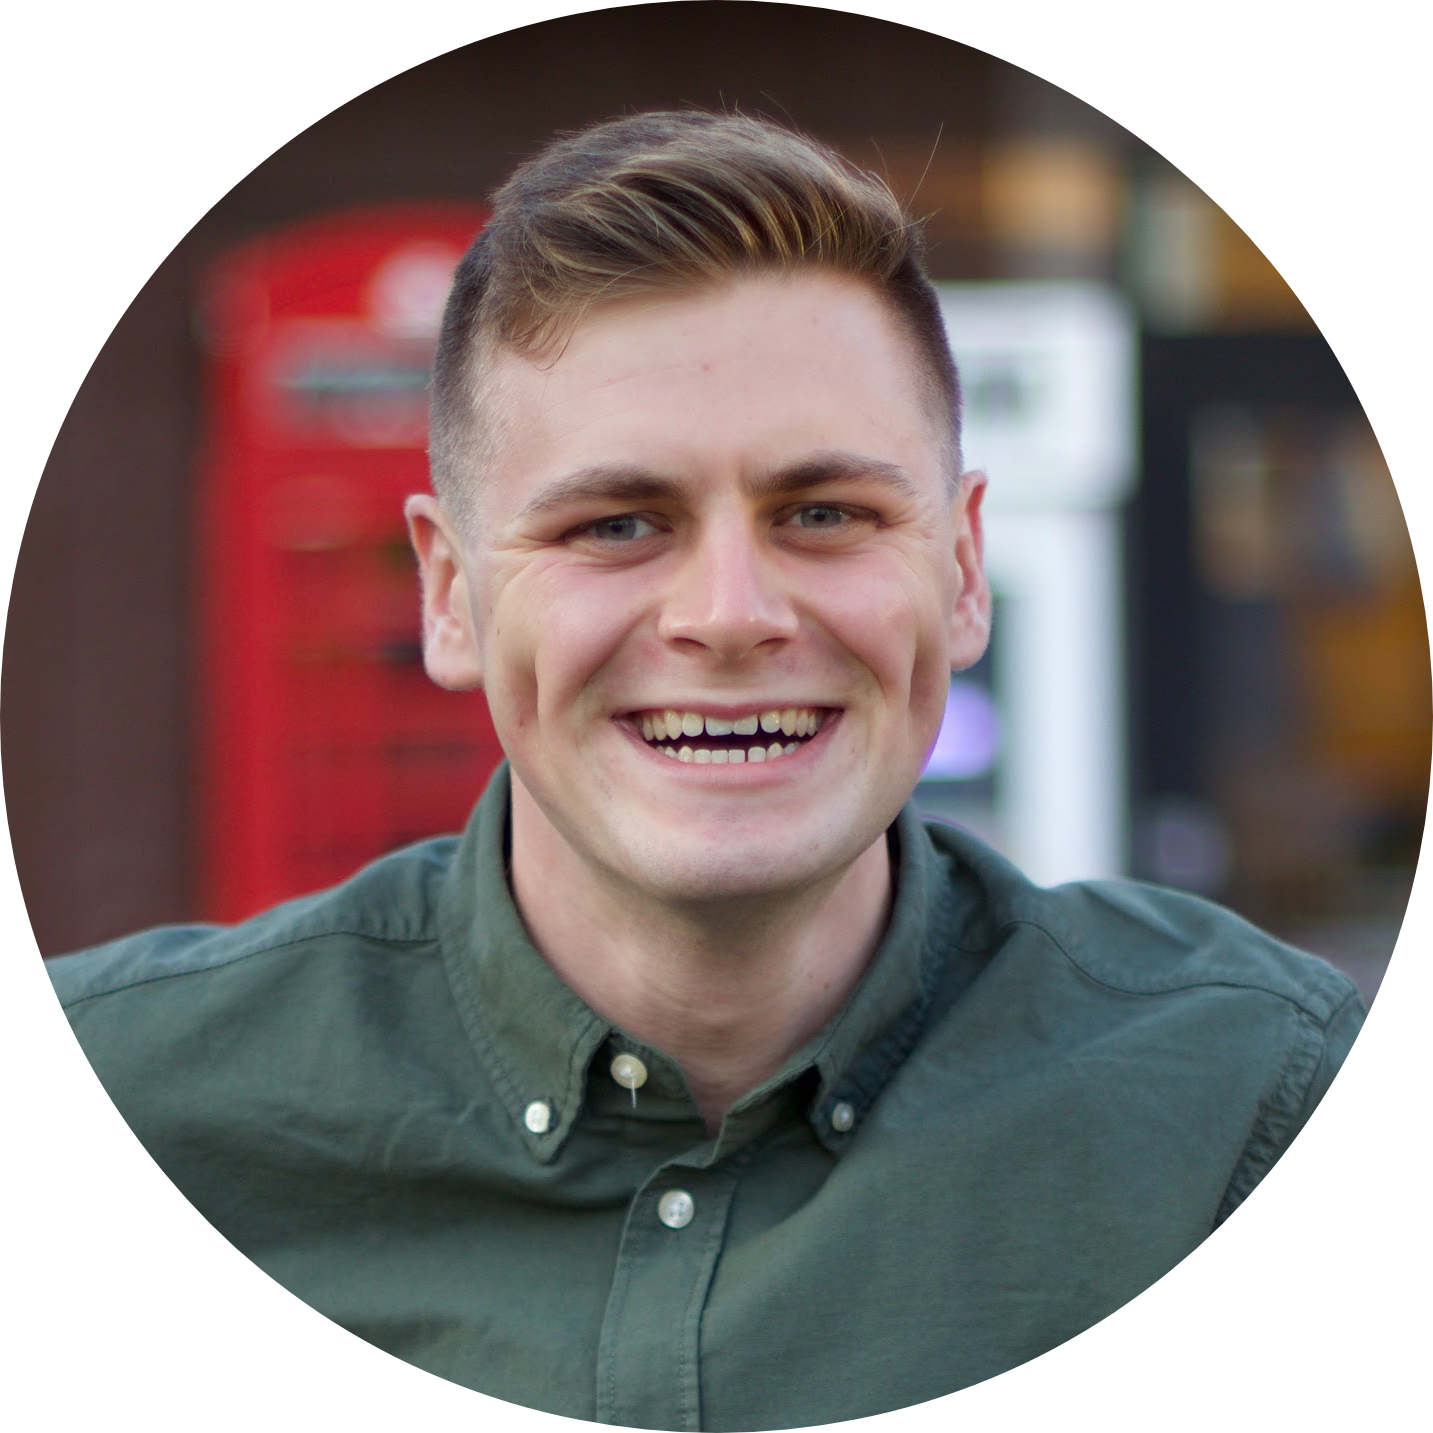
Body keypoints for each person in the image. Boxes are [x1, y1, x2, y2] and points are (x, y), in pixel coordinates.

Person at [43, 110, 1366, 1431]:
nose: (730, 614)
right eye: (617, 524)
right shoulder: (102, 1115)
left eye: (824, 515)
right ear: (450, 596)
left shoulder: (1271, 1105)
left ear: (962, 571)